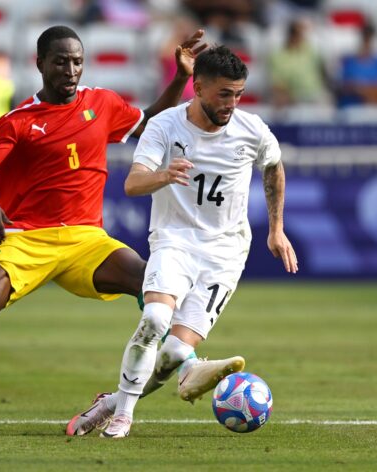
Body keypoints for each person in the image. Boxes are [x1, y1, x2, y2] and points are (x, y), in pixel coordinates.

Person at [0, 25, 209, 431]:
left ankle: (187, 364)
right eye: (60, 61)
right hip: (26, 240)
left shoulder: (101, 103)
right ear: (40, 64)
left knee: (151, 279)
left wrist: (180, 77)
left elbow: (149, 123)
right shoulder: (19, 121)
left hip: (85, 238)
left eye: (77, 61)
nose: (70, 70)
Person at [67, 45, 298, 439]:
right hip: (174, 239)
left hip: (226, 252)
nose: (232, 104)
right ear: (199, 86)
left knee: (174, 352)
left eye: (239, 94)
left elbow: (274, 167)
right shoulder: (165, 126)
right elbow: (132, 182)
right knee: (155, 319)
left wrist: (276, 228)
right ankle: (123, 415)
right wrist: (163, 175)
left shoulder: (252, 129)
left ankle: (109, 403)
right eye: (224, 94)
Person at [268, 18, 329, 109]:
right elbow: (276, 82)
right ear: (292, 35)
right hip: (291, 98)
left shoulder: (311, 50)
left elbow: (323, 72)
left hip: (314, 95)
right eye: (298, 34)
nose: (302, 37)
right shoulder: (278, 56)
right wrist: (287, 95)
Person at [336, 22, 377, 108]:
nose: (367, 41)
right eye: (365, 37)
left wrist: (372, 92)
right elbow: (346, 86)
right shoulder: (349, 62)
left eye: (370, 37)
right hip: (355, 107)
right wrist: (365, 91)